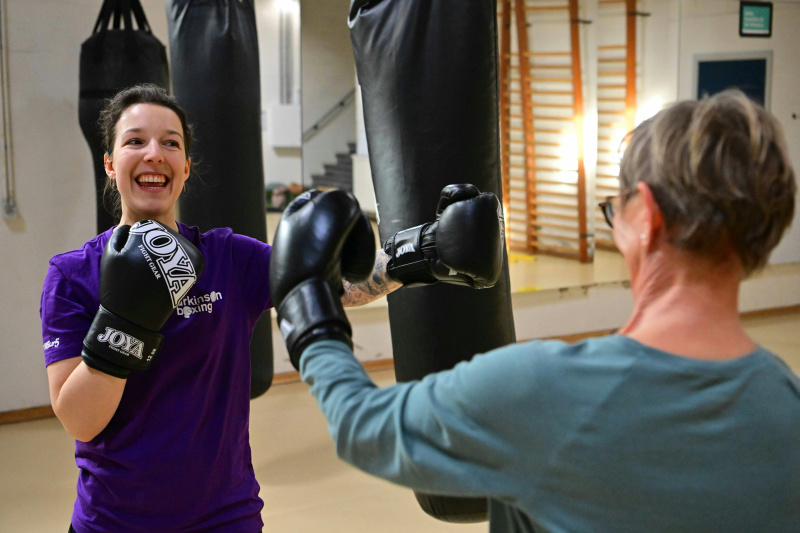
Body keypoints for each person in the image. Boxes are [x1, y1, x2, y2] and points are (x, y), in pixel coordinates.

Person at [270, 89, 799, 532]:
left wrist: (306, 312)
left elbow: (362, 426)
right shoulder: (786, 402)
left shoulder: (544, 390)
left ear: (648, 216)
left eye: (617, 204)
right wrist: (413, 255)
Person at [40, 83, 504, 532]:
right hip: (113, 521)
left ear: (185, 167)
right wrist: (125, 320)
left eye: (171, 143)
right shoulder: (72, 275)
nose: (154, 154)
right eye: (135, 141)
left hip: (224, 517)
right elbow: (80, 420)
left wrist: (421, 251)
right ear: (109, 163)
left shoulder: (230, 257)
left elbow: (334, 284)